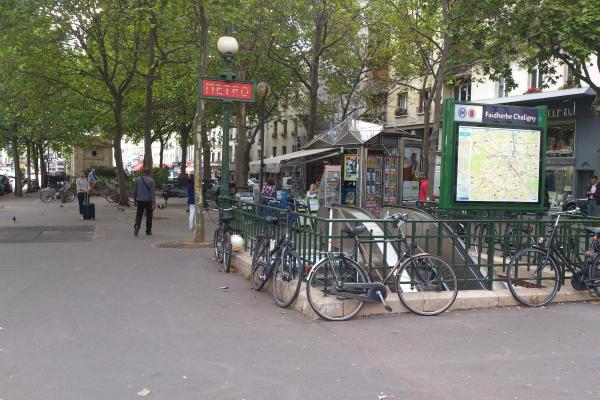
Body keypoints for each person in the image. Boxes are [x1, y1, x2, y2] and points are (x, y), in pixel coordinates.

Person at [133, 168, 156, 236]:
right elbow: (152, 193)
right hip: (148, 201)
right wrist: (153, 202)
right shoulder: (151, 181)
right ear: (149, 173)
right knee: (149, 216)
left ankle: (137, 225)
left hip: (140, 200)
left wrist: (135, 200)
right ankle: (148, 230)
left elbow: (135, 191)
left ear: (143, 173)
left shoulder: (137, 180)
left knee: (139, 214)